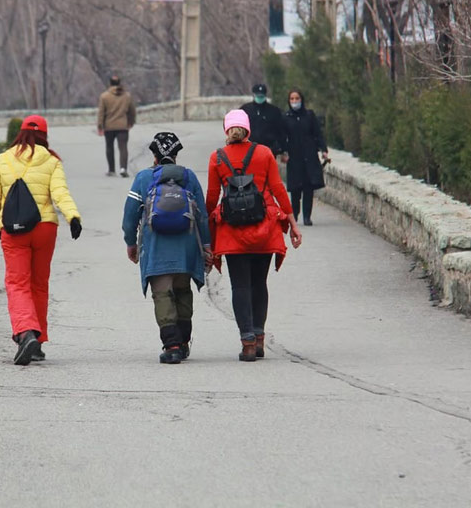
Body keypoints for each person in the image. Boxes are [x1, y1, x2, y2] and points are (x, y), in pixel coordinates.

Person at [0, 114, 82, 365]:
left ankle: (26, 332)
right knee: (39, 284)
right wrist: (72, 217)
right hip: (44, 228)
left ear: (20, 133)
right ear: (44, 136)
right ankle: (37, 342)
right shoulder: (51, 161)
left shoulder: (3, 159)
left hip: (14, 231)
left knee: (17, 283)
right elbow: (60, 193)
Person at [206, 110, 302, 362]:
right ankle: (259, 338)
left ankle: (247, 342)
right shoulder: (264, 153)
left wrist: (206, 230)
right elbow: (279, 189)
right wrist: (292, 222)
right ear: (248, 129)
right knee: (260, 284)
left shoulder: (217, 158)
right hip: (264, 228)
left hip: (232, 230)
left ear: (227, 130)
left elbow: (212, 197)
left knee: (240, 286)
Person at [122, 132, 212, 364]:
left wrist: (131, 243)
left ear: (154, 155)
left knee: (162, 295)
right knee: (183, 292)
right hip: (186, 250)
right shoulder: (189, 177)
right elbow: (202, 216)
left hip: (156, 249)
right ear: (176, 154)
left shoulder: (143, 178)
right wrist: (207, 247)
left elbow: (130, 217)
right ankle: (183, 343)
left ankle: (171, 345)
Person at [282, 89, 329, 226]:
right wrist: (284, 152)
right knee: (295, 189)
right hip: (294, 157)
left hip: (309, 156)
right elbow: (282, 137)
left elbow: (317, 134)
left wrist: (323, 150)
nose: (295, 101)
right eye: (292, 99)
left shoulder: (309, 115)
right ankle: (295, 215)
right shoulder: (285, 118)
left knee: (308, 188)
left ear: (301, 100)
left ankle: (307, 216)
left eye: (297, 98)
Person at [97, 75, 136, 178]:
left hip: (109, 126)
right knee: (123, 147)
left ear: (110, 83)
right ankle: (123, 168)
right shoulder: (127, 96)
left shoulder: (104, 96)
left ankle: (111, 169)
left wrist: (100, 126)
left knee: (109, 147)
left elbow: (101, 112)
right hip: (123, 126)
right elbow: (132, 111)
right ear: (119, 83)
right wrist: (131, 122)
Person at [238, 83, 287, 157]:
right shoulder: (245, 109)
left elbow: (281, 131)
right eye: (258, 95)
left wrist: (281, 149)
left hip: (269, 150)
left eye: (262, 96)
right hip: (248, 150)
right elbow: (238, 128)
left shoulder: (274, 111)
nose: (260, 97)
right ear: (254, 95)